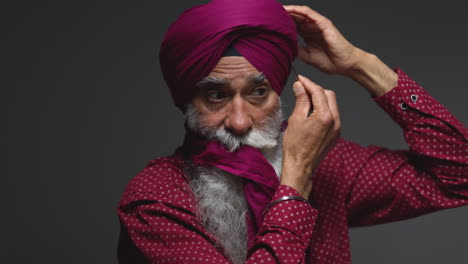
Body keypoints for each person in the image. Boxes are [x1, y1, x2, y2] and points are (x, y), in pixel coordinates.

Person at [117, 0, 468, 263]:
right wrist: (295, 182)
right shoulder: (155, 200)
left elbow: (460, 173)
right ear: (187, 101)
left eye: (258, 92)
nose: (239, 121)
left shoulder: (327, 165)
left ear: (281, 91)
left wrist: (362, 66)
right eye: (216, 95)